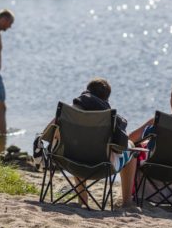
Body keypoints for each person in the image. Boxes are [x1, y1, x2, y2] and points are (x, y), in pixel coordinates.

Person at [37, 78, 137, 208]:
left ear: (86, 91)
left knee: (78, 146)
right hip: (101, 167)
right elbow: (120, 148)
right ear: (107, 98)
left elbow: (46, 134)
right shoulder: (109, 118)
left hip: (70, 162)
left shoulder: (69, 112)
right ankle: (127, 202)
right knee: (132, 148)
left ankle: (82, 199)